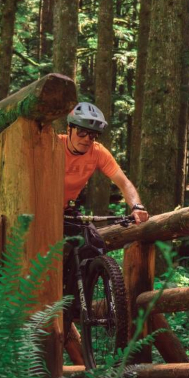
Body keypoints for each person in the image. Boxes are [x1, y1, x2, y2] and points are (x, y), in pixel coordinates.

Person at [60, 102, 147, 364]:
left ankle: (77, 303)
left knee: (94, 244)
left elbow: (123, 182)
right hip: (41, 208)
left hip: (68, 210)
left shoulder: (97, 153)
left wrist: (136, 206)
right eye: (83, 133)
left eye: (93, 135)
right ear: (70, 129)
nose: (88, 139)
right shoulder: (54, 146)